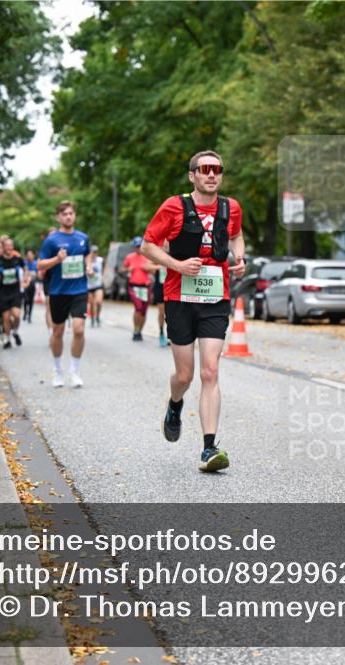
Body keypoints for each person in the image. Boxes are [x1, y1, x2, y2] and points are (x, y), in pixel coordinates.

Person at [142, 150, 246, 472]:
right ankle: (175, 405)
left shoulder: (231, 207)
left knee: (210, 371)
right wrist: (177, 264)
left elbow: (236, 236)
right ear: (193, 175)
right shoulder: (174, 206)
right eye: (204, 169)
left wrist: (239, 257)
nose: (211, 175)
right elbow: (148, 245)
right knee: (185, 375)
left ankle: (208, 448)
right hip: (179, 297)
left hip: (215, 297)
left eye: (217, 169)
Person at [39, 202, 91, 388]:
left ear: (74, 215)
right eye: (64, 214)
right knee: (58, 331)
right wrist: (57, 259)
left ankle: (74, 371)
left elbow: (86, 256)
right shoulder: (52, 240)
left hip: (79, 290)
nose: (68, 216)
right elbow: (40, 265)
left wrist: (89, 266)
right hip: (59, 292)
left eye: (71, 213)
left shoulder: (83, 238)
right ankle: (58, 370)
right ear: (58, 217)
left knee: (79, 329)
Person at [0, 238, 27, 348]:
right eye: (7, 246)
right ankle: (8, 339)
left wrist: (25, 279)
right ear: (3, 247)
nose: (9, 248)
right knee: (5, 318)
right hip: (3, 292)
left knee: (16, 315)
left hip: (15, 291)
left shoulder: (18, 259)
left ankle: (15, 331)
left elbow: (25, 269)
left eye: (11, 245)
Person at [121, 237, 155, 341]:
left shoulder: (148, 257)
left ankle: (139, 331)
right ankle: (135, 329)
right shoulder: (129, 257)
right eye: (136, 247)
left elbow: (154, 272)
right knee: (138, 308)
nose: (138, 248)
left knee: (144, 311)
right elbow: (122, 269)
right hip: (134, 286)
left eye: (139, 246)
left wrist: (149, 268)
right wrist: (128, 269)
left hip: (146, 286)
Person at [151, 259, 169, 347]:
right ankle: (161, 332)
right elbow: (146, 266)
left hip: (172, 287)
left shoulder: (176, 252)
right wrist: (159, 266)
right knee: (162, 312)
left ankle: (171, 335)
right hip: (160, 287)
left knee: (172, 313)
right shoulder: (158, 255)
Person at [86, 245, 104, 327]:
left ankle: (97, 316)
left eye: (96, 252)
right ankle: (92, 318)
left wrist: (104, 277)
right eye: (93, 252)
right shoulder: (86, 261)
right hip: (89, 286)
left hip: (98, 285)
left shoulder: (100, 260)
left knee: (99, 302)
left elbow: (105, 269)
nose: (94, 254)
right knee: (91, 304)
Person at [23, 250, 38, 324]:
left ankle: (29, 316)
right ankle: (25, 312)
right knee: (26, 300)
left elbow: (37, 274)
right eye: (28, 255)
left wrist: (31, 274)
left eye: (30, 255)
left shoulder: (36, 263)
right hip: (26, 284)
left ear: (33, 255)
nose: (29, 256)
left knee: (31, 301)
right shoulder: (25, 263)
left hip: (32, 284)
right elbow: (24, 273)